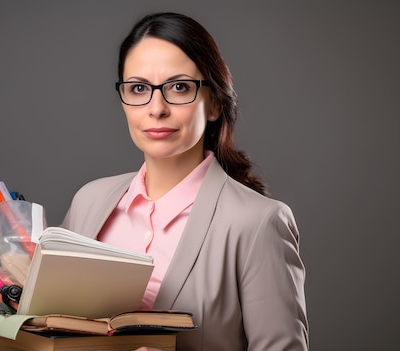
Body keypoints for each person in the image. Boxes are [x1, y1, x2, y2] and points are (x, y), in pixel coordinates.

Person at [61, 12, 308, 351]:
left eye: (179, 87)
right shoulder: (89, 202)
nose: (156, 108)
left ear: (214, 104)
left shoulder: (258, 223)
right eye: (138, 88)